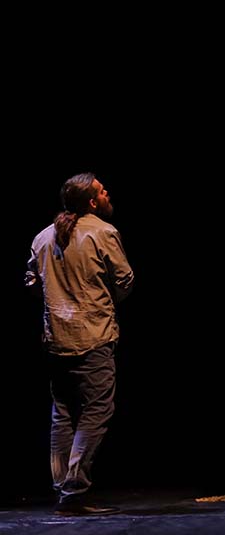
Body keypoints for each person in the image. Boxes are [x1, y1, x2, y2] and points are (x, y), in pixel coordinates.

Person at [26, 173, 134, 515]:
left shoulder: (43, 237)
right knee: (97, 410)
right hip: (93, 336)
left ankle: (63, 489)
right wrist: (102, 303)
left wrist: (57, 300)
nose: (107, 193)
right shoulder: (103, 232)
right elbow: (124, 279)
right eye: (101, 190)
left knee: (64, 413)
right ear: (91, 202)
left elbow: (30, 281)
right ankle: (73, 489)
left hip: (56, 338)